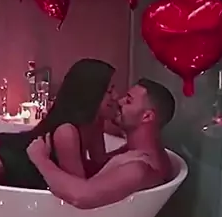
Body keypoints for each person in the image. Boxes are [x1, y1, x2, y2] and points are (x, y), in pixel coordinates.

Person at [0, 58, 117, 188]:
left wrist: (130, 147)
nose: (116, 96)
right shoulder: (66, 132)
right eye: (110, 91)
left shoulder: (95, 123)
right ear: (91, 94)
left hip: (17, 153)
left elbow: (100, 161)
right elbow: (79, 188)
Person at [27, 78, 176, 209]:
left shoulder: (140, 167)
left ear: (147, 116)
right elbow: (100, 168)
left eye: (128, 101)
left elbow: (80, 197)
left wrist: (40, 159)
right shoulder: (144, 152)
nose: (119, 101)